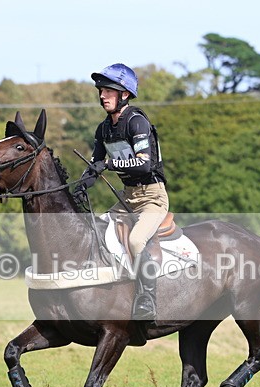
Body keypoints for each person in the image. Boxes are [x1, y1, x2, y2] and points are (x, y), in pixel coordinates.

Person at [77, 63, 169, 322]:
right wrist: (82, 183)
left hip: (152, 197)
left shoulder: (136, 122)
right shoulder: (103, 129)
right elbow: (96, 164)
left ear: (124, 94)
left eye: (108, 91)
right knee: (95, 231)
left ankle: (147, 300)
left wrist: (107, 164)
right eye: (101, 91)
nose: (102, 95)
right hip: (127, 198)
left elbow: (144, 164)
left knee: (137, 241)